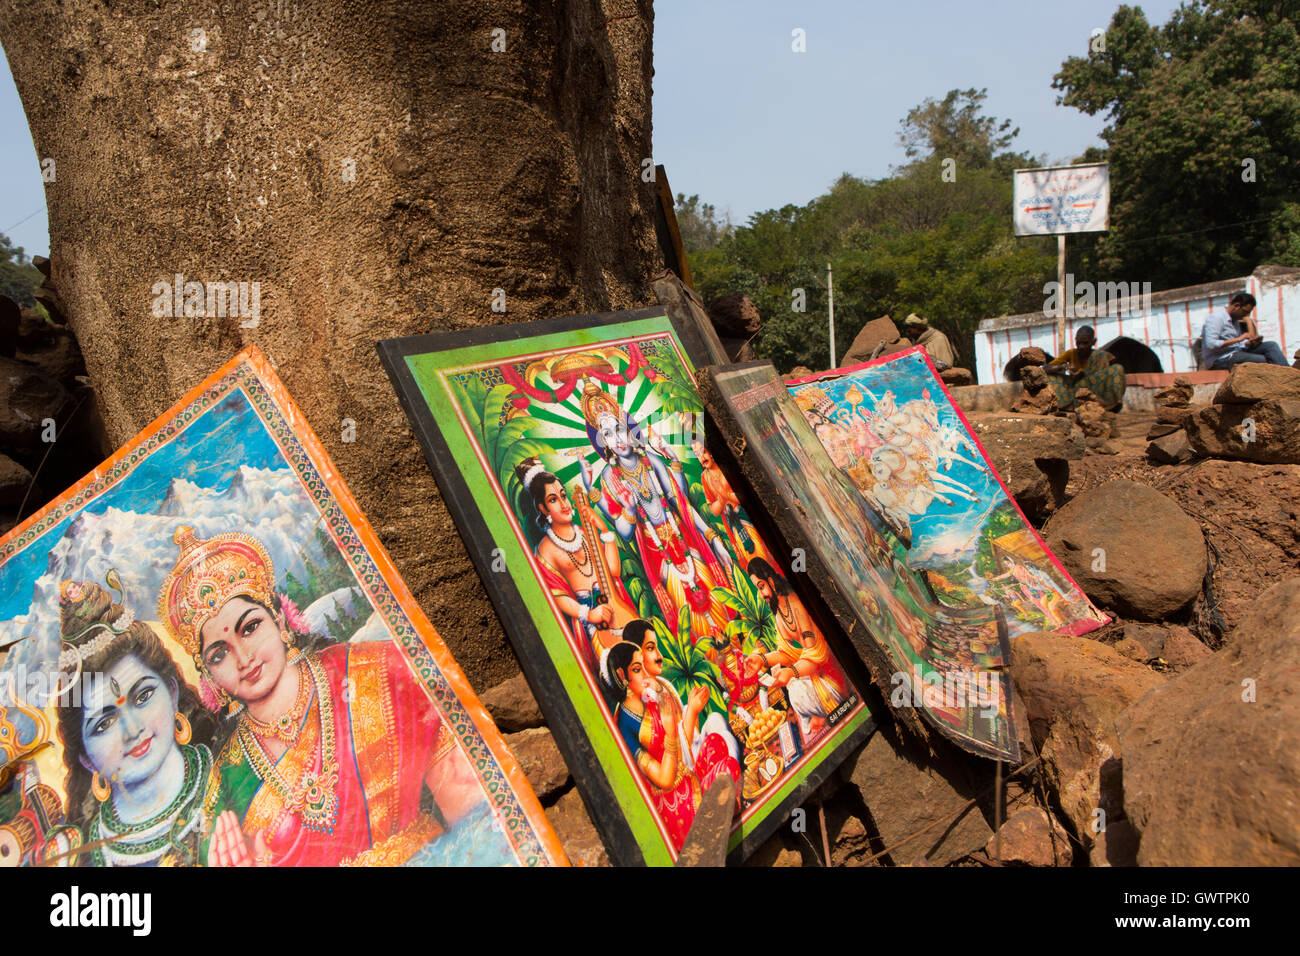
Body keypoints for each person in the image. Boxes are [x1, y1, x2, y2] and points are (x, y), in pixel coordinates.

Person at [157, 526, 482, 867]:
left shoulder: (375, 669)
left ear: (280, 620)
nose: (243, 658)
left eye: (250, 628)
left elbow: (477, 814)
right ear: (210, 677)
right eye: (219, 654)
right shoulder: (227, 782)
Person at [54, 576, 215, 867]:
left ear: (172, 691)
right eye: (104, 724)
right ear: (86, 759)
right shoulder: (86, 859)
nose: (132, 730)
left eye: (142, 696)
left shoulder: (234, 768)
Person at [603, 640, 740, 852]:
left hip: (688, 779)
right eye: (638, 669)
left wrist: (692, 710)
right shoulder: (625, 726)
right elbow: (665, 780)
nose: (646, 674)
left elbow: (680, 749)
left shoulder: (650, 702)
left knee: (716, 742)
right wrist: (670, 731)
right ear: (622, 676)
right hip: (676, 808)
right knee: (728, 771)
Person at [515, 457, 636, 668]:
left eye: (563, 496)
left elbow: (613, 570)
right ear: (543, 508)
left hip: (617, 609)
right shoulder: (546, 549)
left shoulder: (584, 533)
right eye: (553, 500)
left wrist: (605, 531)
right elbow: (557, 596)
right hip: (592, 623)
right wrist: (590, 614)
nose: (563, 504)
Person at [745, 558, 845, 740]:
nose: (761, 595)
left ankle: (819, 718)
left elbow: (816, 657)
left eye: (761, 587)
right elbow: (785, 653)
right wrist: (762, 660)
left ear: (771, 582)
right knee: (793, 685)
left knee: (795, 689)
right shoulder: (780, 614)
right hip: (817, 676)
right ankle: (815, 718)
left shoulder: (796, 605)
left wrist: (791, 672)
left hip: (833, 675)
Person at [1044, 325, 1126, 410]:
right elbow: (1045, 369)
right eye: (1078, 343)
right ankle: (1058, 403)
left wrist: (1084, 373)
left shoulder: (1099, 356)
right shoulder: (1071, 353)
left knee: (1118, 368)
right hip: (1075, 388)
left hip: (1093, 388)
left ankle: (1111, 403)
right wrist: (1063, 366)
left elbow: (1104, 375)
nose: (1081, 346)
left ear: (1093, 342)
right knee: (1049, 377)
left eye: (1085, 343)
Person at [1201, 292, 1286, 369]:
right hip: (1220, 359)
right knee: (1263, 359)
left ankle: (1291, 375)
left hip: (1237, 352)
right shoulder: (1216, 318)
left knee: (1271, 346)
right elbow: (1211, 344)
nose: (1246, 316)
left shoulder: (1235, 320)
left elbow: (1237, 345)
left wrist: (1247, 343)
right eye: (1245, 312)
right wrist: (1239, 339)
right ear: (1237, 306)